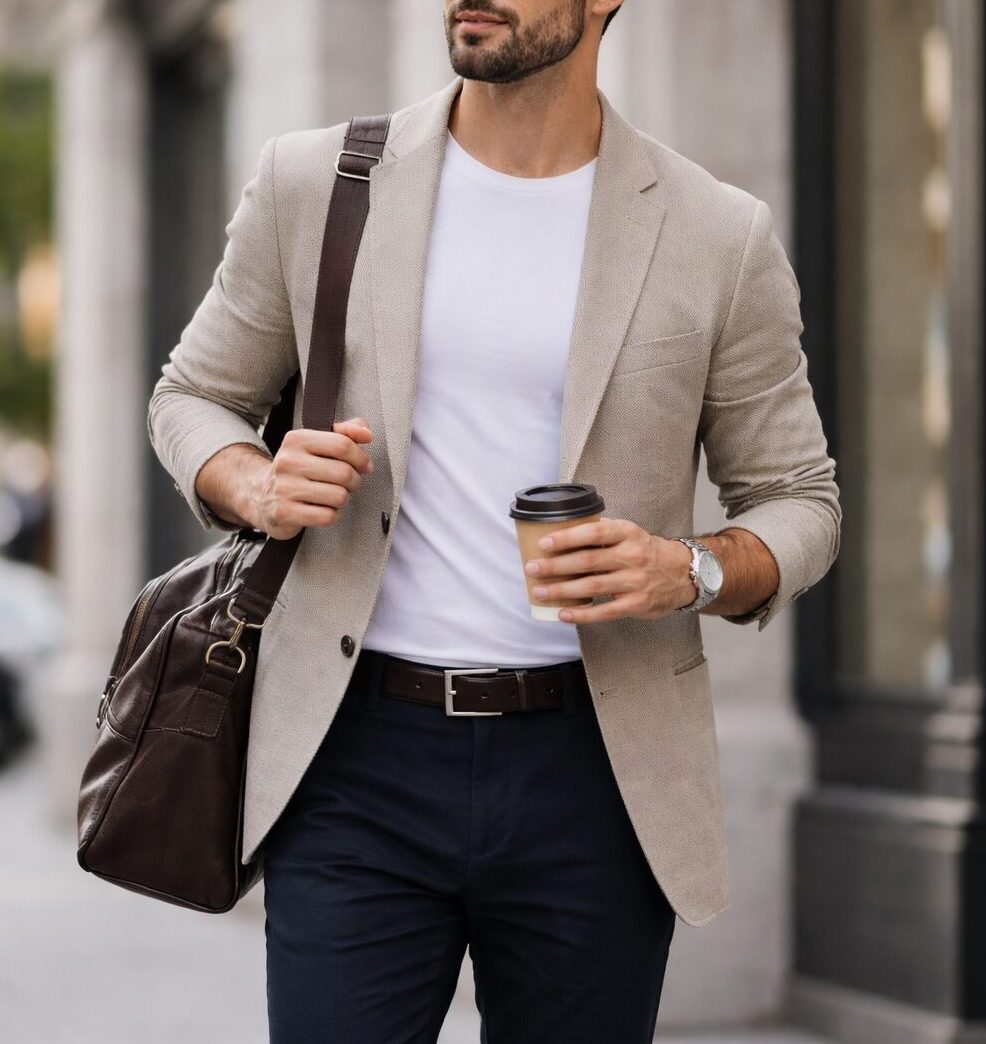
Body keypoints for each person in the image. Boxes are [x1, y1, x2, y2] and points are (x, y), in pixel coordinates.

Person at [147, 1, 841, 1040]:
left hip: (598, 771)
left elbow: (801, 501)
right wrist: (248, 482)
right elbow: (189, 396)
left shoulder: (715, 232)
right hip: (356, 758)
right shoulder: (320, 180)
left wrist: (685, 570)